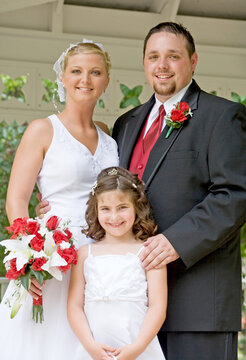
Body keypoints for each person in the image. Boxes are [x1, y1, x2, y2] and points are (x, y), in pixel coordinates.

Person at [112, 22, 246, 360]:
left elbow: (235, 194)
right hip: (134, 305)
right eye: (153, 56)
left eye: (173, 56)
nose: (162, 65)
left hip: (198, 303)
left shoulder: (223, 116)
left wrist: (176, 241)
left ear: (193, 60)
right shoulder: (126, 124)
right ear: (144, 63)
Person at [0, 40, 119, 360]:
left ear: (106, 80)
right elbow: (17, 199)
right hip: (55, 255)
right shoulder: (42, 130)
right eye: (77, 71)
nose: (86, 79)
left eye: (96, 72)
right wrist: (28, 259)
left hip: (102, 257)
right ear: (63, 78)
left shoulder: (108, 134)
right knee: (49, 342)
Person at [67, 166, 167, 360]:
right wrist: (90, 345)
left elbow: (157, 306)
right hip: (94, 350)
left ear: (136, 207)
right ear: (95, 211)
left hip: (138, 348)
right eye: (105, 209)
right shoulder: (84, 255)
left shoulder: (149, 252)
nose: (114, 217)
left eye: (122, 207)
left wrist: (137, 348)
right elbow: (74, 306)